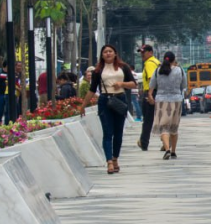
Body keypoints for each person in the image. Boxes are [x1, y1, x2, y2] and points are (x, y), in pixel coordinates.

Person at [79, 44, 137, 175]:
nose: (108, 54)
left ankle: (115, 158)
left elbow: (133, 84)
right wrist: (83, 106)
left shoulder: (124, 67)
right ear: (102, 55)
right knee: (107, 132)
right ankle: (109, 161)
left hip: (120, 100)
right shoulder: (98, 71)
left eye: (110, 51)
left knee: (118, 132)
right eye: (105, 52)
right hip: (105, 101)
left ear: (115, 53)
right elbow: (92, 90)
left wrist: (121, 84)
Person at [148, 51, 187, 160]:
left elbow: (152, 86)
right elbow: (184, 85)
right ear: (174, 59)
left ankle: (167, 149)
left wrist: (150, 95)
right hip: (176, 100)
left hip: (161, 101)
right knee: (174, 127)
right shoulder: (180, 70)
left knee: (163, 127)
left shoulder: (157, 70)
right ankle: (174, 151)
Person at [137, 45, 161, 150]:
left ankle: (144, 142)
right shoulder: (157, 62)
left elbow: (152, 79)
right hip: (159, 92)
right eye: (141, 52)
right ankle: (166, 141)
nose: (142, 54)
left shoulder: (149, 64)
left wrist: (150, 95)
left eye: (144, 52)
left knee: (147, 120)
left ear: (150, 52)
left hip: (151, 93)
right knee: (160, 119)